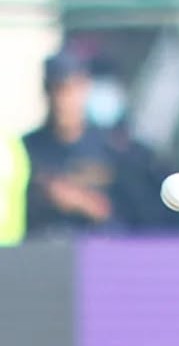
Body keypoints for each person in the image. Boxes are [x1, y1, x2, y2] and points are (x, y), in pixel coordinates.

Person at [22, 51, 122, 237]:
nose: (63, 100)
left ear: (85, 88)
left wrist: (82, 202)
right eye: (56, 90)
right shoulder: (26, 148)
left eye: (70, 89)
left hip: (102, 248)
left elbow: (135, 215)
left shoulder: (112, 148)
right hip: (40, 248)